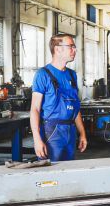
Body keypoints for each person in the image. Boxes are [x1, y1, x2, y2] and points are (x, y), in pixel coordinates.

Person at [30, 33, 88, 161]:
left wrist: (82, 133)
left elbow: (74, 107)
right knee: (50, 176)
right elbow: (35, 109)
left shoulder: (72, 75)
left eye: (74, 47)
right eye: (71, 46)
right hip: (52, 132)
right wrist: (36, 139)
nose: (75, 50)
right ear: (57, 49)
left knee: (68, 172)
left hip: (70, 131)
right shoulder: (43, 75)